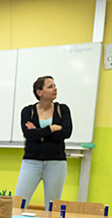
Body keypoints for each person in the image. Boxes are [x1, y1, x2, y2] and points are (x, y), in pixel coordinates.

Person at [15, 76, 72, 209]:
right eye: (50, 86)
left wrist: (38, 132)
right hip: (31, 162)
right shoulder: (28, 111)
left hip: (56, 163)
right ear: (39, 92)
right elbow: (28, 134)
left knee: (52, 206)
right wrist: (51, 129)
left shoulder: (62, 110)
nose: (55, 89)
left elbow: (66, 133)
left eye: (54, 85)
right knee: (19, 203)